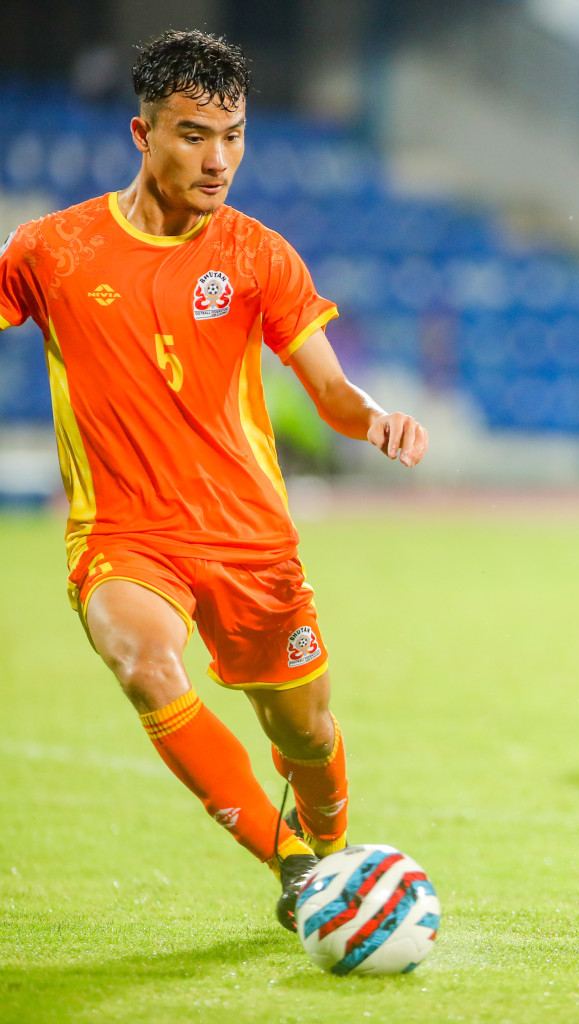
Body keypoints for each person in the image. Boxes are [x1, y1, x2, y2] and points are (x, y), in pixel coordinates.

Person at [0, 31, 429, 929]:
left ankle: (333, 845)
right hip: (124, 536)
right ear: (142, 133)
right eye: (194, 134)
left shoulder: (257, 254)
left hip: (248, 538)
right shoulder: (51, 250)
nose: (218, 158)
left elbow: (330, 390)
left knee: (304, 733)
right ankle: (297, 872)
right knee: (144, 662)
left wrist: (373, 418)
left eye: (233, 135)